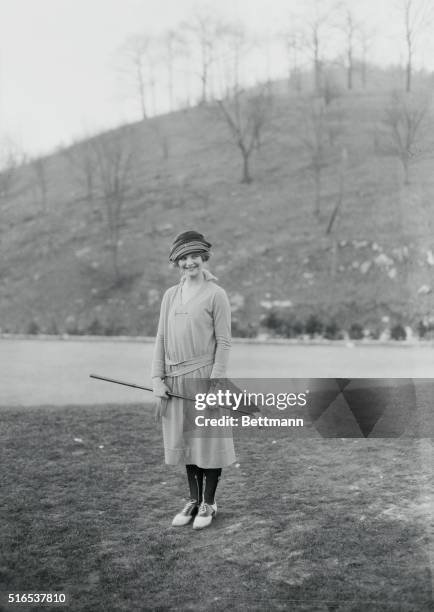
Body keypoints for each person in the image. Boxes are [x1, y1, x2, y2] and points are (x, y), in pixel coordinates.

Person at [151, 230, 236, 530]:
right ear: (177, 262)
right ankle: (193, 499)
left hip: (205, 377)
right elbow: (161, 338)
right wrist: (157, 377)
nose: (190, 263)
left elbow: (224, 342)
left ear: (204, 257)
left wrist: (215, 382)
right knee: (188, 442)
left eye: (194, 256)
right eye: (184, 258)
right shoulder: (170, 296)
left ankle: (208, 503)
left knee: (208, 442)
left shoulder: (216, 295)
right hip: (175, 380)